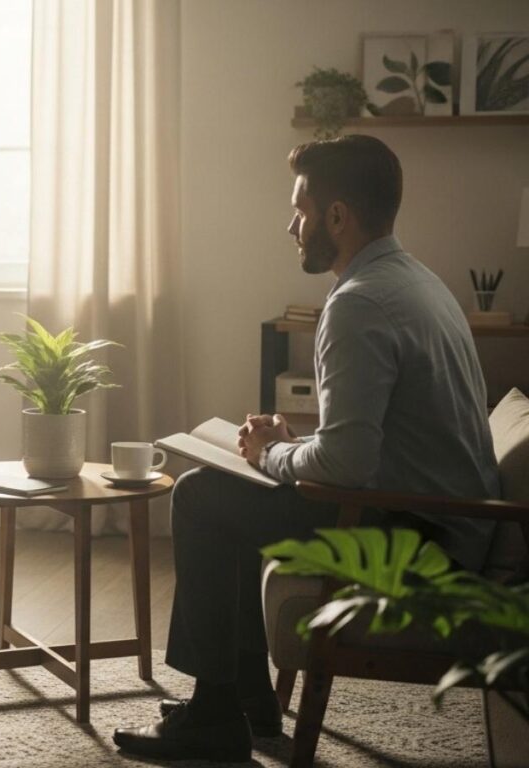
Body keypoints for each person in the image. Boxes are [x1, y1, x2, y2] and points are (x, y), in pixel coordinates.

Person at [113, 135, 500, 762]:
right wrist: (294, 445)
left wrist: (270, 456)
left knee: (201, 496)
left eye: (301, 208)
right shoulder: (418, 281)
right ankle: (245, 702)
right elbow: (373, 443)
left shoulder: (357, 305)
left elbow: (348, 466)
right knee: (226, 497)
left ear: (338, 216)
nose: (290, 224)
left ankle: (216, 716)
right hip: (443, 521)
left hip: (417, 540)